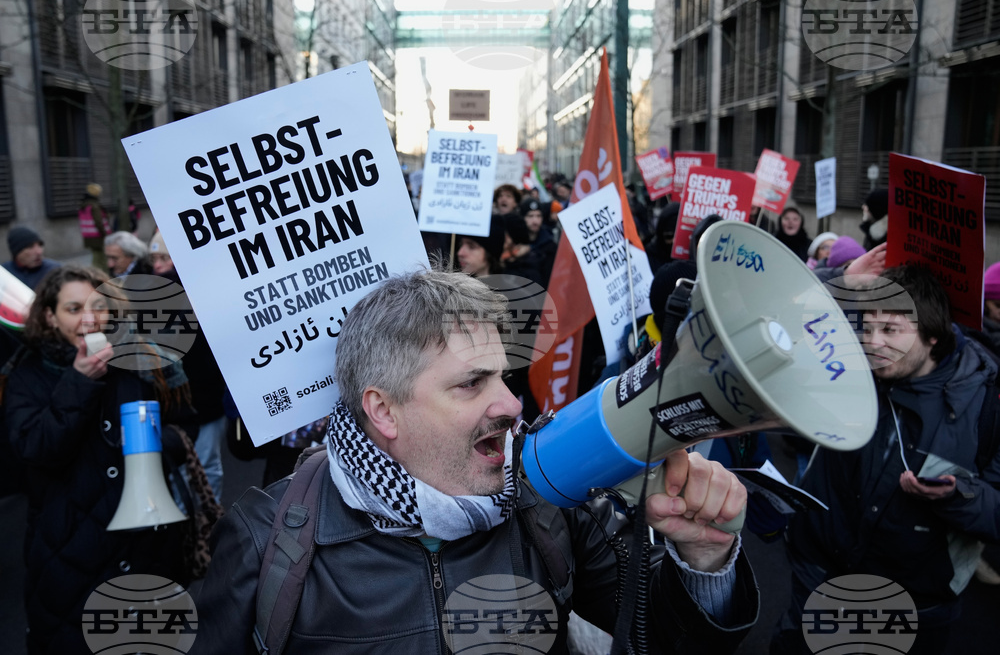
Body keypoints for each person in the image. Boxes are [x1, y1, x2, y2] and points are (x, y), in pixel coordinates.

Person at [193, 268, 759, 653]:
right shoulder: (268, 539)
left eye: (503, 378)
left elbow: (656, 636)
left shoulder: (547, 500)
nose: (512, 405)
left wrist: (704, 560)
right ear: (383, 411)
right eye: (471, 383)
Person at [772, 265, 1000, 654]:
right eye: (867, 327)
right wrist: (843, 278)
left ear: (932, 335)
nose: (872, 343)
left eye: (891, 330)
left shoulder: (985, 407)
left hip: (912, 603)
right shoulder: (850, 367)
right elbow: (777, 319)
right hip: (819, 575)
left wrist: (958, 497)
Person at [4, 265, 197, 653]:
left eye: (98, 307)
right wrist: (78, 382)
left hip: (145, 549)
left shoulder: (140, 362)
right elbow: (35, 449)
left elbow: (184, 428)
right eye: (74, 309)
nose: (89, 319)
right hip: (70, 555)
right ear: (50, 316)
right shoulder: (27, 376)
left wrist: (155, 443)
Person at [149, 231, 228, 501]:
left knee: (206, 465)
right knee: (181, 469)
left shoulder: (202, 291)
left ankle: (209, 519)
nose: (158, 265)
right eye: (154, 259)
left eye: (164, 258)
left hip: (203, 399)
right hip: (173, 402)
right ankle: (190, 521)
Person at [77, 183, 112, 270]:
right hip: (98, 236)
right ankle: (100, 274)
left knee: (97, 255)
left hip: (89, 236)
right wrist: (105, 233)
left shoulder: (84, 206)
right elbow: (98, 222)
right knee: (100, 257)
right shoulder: (95, 206)